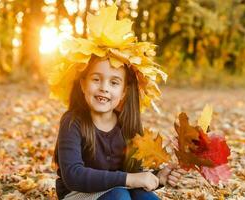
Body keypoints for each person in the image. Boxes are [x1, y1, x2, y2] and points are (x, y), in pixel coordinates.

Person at [49, 4, 186, 200]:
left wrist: (159, 177)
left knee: (146, 198)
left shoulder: (127, 126)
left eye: (114, 83)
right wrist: (130, 179)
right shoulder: (73, 121)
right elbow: (73, 176)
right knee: (121, 194)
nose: (104, 87)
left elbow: (134, 175)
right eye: (96, 79)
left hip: (117, 190)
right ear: (82, 85)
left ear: (123, 93)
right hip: (77, 194)